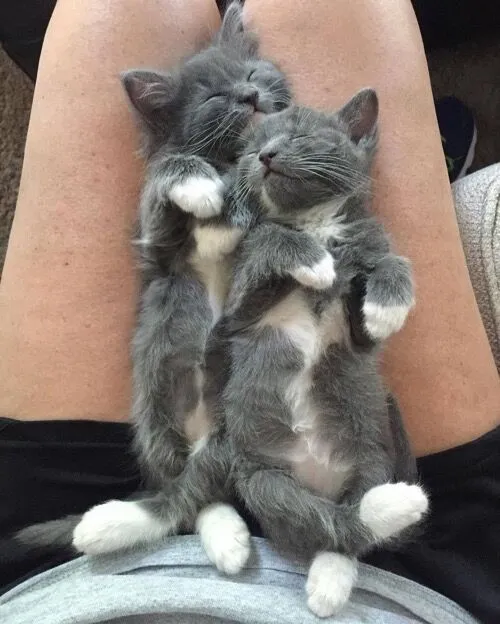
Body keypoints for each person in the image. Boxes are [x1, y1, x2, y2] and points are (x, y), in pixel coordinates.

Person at [0, 0, 498, 622]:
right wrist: (185, 171)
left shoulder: (262, 177)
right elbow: (179, 241)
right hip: (422, 576)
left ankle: (193, 507)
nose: (249, 96)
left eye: (260, 82)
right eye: (221, 100)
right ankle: (206, 508)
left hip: (64, 585)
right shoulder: (234, 175)